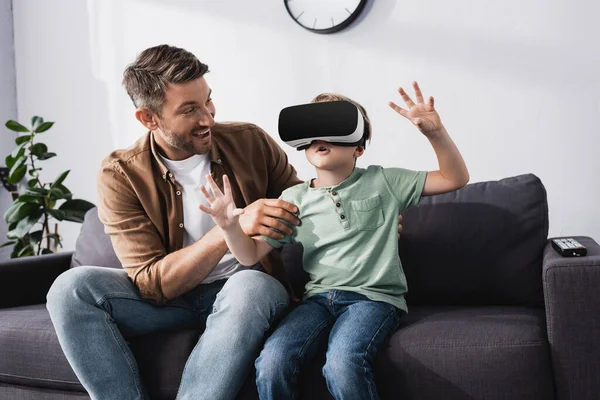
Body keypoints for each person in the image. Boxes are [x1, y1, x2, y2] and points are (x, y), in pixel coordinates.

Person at [44, 44, 405, 399]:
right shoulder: (120, 174)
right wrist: (231, 228)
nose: (208, 118)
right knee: (70, 288)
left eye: (208, 101)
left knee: (249, 284)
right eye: (189, 110)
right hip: (169, 301)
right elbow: (153, 284)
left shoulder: (249, 141)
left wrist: (366, 218)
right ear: (148, 118)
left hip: (247, 293)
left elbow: (311, 200)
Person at [198, 83, 469, 400]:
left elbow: (455, 178)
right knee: (272, 362)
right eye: (313, 131)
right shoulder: (293, 199)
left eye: (334, 128)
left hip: (371, 300)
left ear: (358, 148)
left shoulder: (385, 182)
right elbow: (249, 256)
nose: (320, 139)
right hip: (317, 301)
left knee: (341, 365)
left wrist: (434, 133)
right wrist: (230, 227)